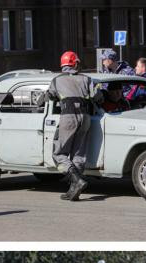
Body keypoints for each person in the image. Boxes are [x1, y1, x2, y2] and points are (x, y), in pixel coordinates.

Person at [44, 51, 102, 201]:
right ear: (75, 63)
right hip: (85, 118)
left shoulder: (57, 80)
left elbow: (49, 96)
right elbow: (98, 97)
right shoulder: (87, 79)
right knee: (79, 154)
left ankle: (76, 180)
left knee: (59, 154)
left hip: (68, 117)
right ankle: (74, 190)